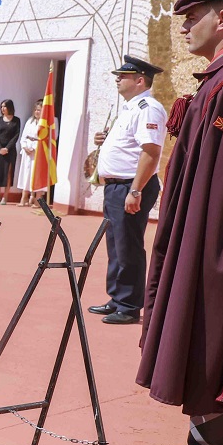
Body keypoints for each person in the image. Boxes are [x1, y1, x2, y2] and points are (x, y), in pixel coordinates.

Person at [137, 0, 223, 445]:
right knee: (200, 332)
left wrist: (207, 247)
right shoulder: (215, 81)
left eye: (194, 18)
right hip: (201, 233)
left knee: (212, 333)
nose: (186, 27)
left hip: (213, 239)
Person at [87, 56, 166, 326]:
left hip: (130, 186)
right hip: (116, 187)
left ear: (140, 80)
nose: (118, 79)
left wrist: (135, 190)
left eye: (123, 75)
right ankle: (117, 297)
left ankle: (129, 305)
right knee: (115, 245)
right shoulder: (130, 108)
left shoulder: (148, 108)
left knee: (128, 246)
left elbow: (151, 151)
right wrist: (105, 140)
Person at [0, 99, 21, 205]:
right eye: (1, 107)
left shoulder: (16, 120)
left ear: (10, 107)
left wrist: (7, 148)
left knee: (8, 174)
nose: (2, 108)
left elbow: (16, 136)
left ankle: (5, 196)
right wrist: (0, 148)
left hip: (10, 151)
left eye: (5, 106)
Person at [15, 99, 43, 206]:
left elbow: (47, 139)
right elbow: (23, 136)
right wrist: (25, 147)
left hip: (38, 152)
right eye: (36, 110)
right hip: (28, 151)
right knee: (26, 174)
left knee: (36, 175)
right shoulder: (30, 121)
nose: (37, 112)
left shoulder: (45, 123)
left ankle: (37, 200)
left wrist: (37, 148)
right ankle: (24, 198)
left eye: (39, 110)